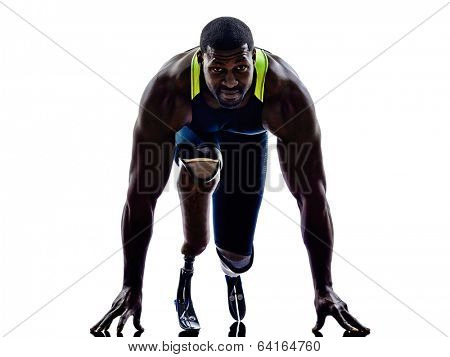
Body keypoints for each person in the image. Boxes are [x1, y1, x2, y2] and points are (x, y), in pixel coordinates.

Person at [90, 16, 370, 336]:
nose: (231, 82)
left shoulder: (286, 95)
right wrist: (131, 286)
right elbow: (140, 195)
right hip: (195, 134)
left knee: (237, 255)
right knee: (201, 171)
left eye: (240, 68)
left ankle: (230, 271)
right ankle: (189, 259)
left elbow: (312, 195)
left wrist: (324, 287)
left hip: (248, 141)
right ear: (200, 61)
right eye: (217, 70)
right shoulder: (169, 91)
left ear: (253, 58)